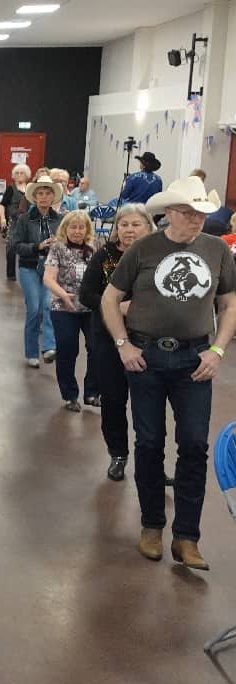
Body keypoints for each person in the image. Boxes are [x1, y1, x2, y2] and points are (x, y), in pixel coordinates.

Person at [101, 176, 236, 571]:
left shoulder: (216, 251)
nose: (197, 220)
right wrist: (123, 344)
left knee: (194, 444)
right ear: (171, 213)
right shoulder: (144, 248)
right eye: (189, 213)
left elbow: (229, 304)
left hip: (197, 358)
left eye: (201, 214)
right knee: (149, 442)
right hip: (148, 358)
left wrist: (218, 349)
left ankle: (187, 537)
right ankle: (152, 525)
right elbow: (110, 298)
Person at [79, 204, 154, 480]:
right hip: (108, 338)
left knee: (150, 404)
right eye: (124, 224)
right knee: (113, 399)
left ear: (148, 227)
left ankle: (151, 464)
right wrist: (116, 306)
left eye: (136, 224)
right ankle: (118, 454)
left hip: (148, 338)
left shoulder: (157, 256)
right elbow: (86, 294)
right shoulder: (105, 255)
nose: (129, 230)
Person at [44, 211, 99, 411]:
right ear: (65, 229)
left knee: (96, 348)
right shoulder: (57, 248)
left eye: (81, 227)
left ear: (87, 229)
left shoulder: (95, 247)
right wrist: (63, 295)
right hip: (63, 306)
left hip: (91, 307)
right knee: (68, 349)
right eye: (73, 227)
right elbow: (48, 278)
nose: (77, 231)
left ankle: (92, 392)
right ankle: (69, 395)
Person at [9, 174, 63, 367]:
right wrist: (37, 246)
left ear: (52, 197)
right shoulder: (24, 219)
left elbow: (68, 243)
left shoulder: (60, 220)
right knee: (34, 308)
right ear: (34, 197)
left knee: (48, 305)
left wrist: (58, 244)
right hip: (29, 266)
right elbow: (15, 245)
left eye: (47, 193)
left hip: (51, 268)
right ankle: (31, 351)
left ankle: (49, 347)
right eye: (40, 193)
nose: (43, 197)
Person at [0, 163, 33, 282]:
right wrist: (3, 218)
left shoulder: (31, 188)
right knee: (11, 248)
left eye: (22, 173)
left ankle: (26, 272)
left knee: (27, 247)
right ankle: (11, 274)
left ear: (27, 175)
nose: (19, 175)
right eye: (17, 173)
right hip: (13, 221)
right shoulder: (10, 188)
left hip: (28, 222)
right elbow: (2, 205)